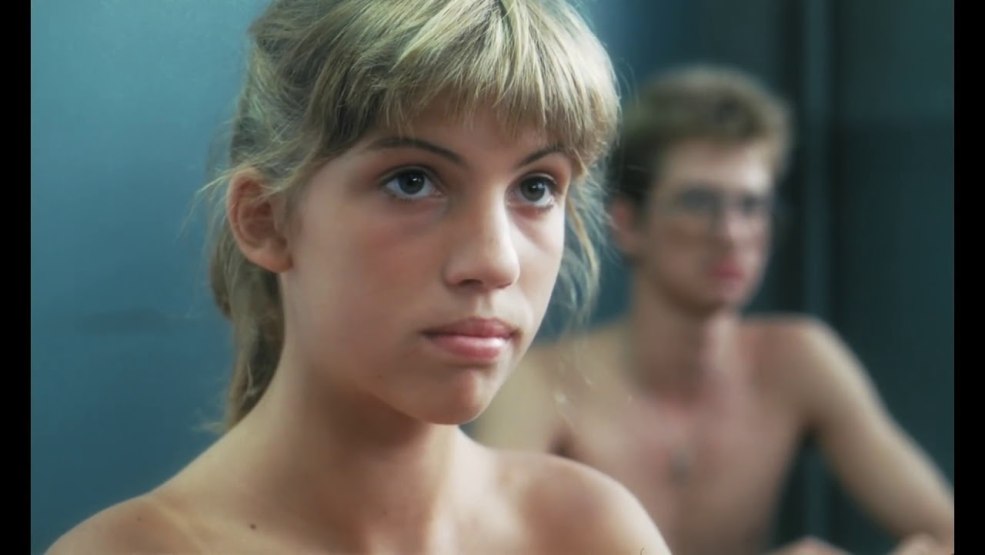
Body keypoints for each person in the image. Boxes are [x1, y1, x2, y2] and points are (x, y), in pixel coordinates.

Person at [45, 1, 672, 553]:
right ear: (266, 220)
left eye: (536, 187)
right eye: (412, 181)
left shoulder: (591, 532)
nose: (496, 262)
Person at [472, 64, 954, 555]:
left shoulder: (796, 361)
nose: (730, 232)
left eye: (751, 205)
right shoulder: (543, 386)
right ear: (628, 224)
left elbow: (947, 531)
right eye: (698, 202)